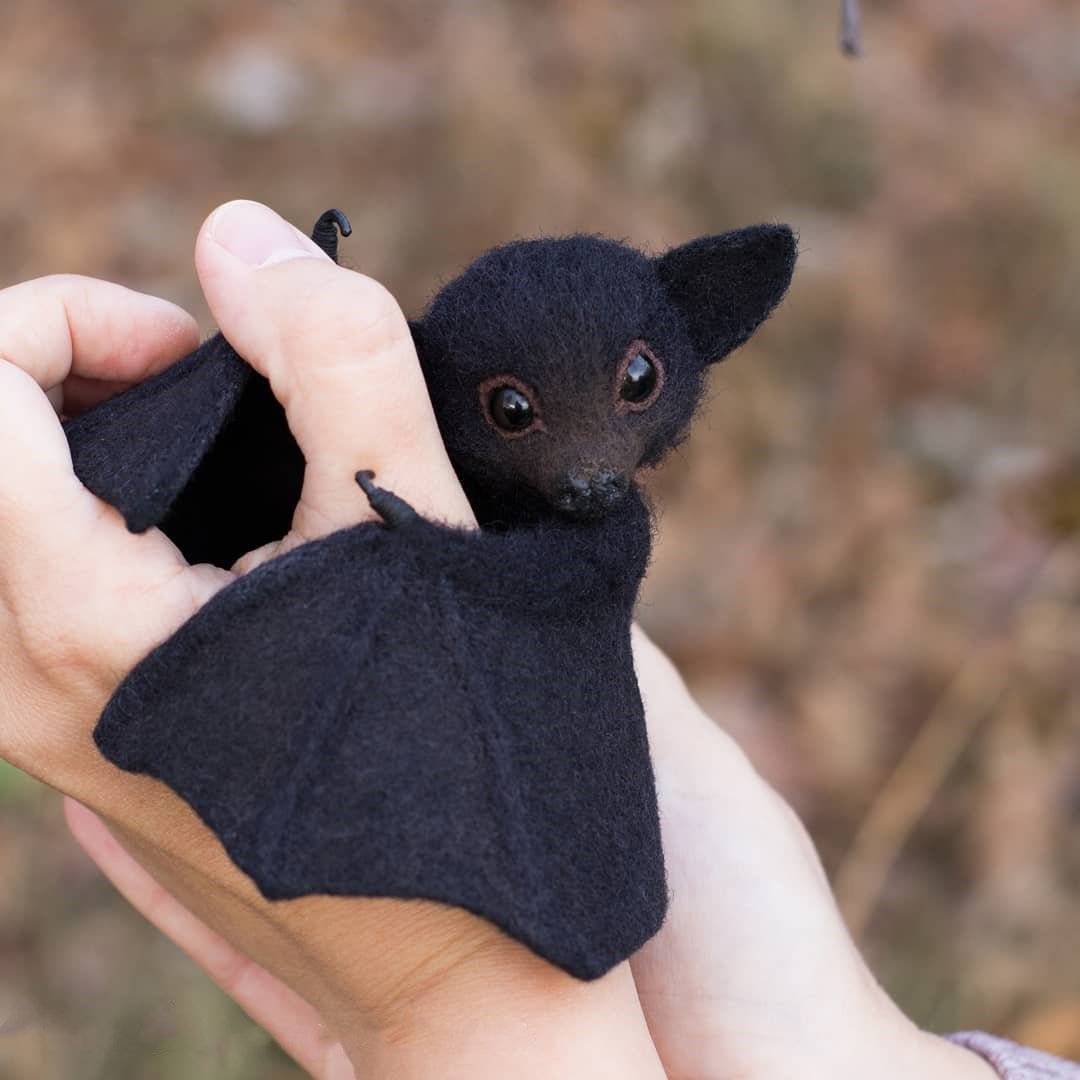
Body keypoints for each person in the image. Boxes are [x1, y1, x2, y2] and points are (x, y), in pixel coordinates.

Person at [0, 199, 1071, 1079]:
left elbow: (533, 590)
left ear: (691, 348)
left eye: (633, 390)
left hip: (558, 818)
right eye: (516, 410)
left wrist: (456, 1012)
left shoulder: (604, 549)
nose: (591, 461)